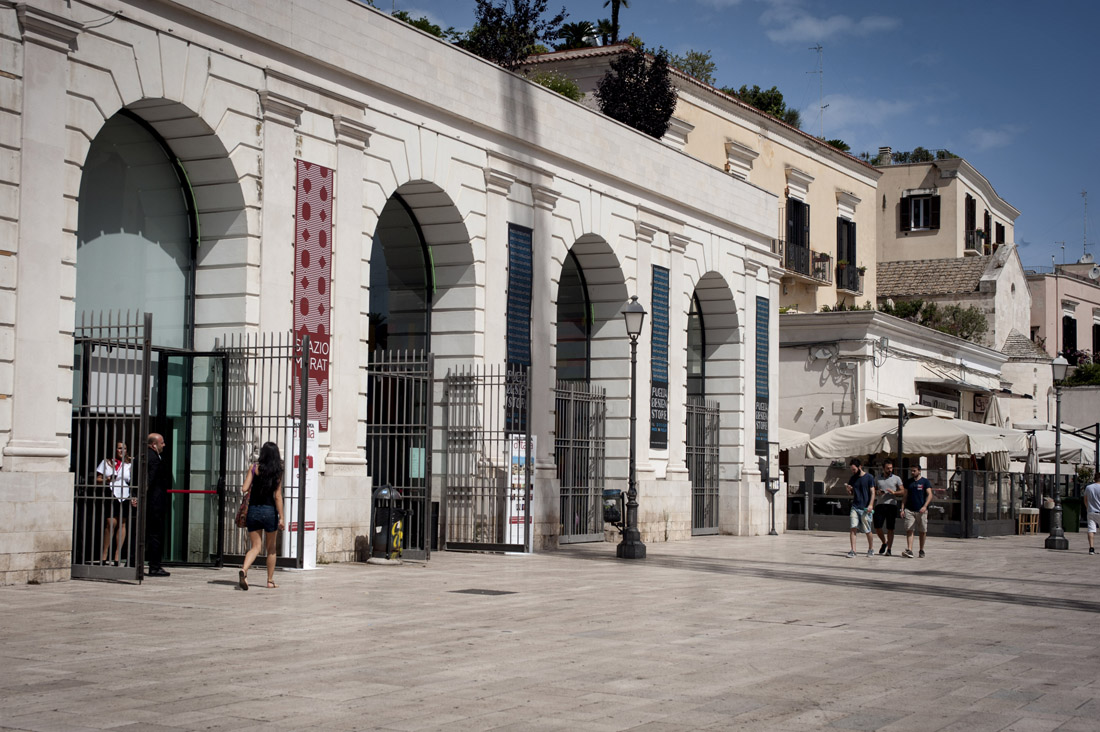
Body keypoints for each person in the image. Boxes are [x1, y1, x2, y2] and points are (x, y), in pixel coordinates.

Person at [239, 442, 285, 590]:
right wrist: (282, 518)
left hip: (253, 511)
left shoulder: (253, 468)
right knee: (271, 549)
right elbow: (277, 496)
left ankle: (244, 570)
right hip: (269, 511)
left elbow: (244, 488)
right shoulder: (278, 471)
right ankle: (270, 581)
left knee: (255, 547)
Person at [96, 441, 134, 564]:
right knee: (111, 523)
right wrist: (106, 479)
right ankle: (104, 553)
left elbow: (133, 480)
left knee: (122, 523)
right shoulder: (106, 462)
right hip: (111, 492)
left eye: (124, 448)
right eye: (119, 448)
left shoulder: (129, 464)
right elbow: (97, 479)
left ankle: (118, 554)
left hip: (125, 494)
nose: (122, 451)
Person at [144, 433, 171, 577]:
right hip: (154, 504)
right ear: (154, 445)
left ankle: (131, 562)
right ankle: (154, 566)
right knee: (155, 534)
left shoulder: (141, 456)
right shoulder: (154, 459)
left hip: (147, 502)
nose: (164, 445)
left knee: (141, 533)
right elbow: (150, 480)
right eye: (162, 443)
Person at [846, 458, 875, 558]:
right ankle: (853, 550)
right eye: (852, 470)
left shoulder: (869, 477)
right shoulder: (853, 478)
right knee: (853, 527)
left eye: (854, 469)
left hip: (865, 508)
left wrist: (871, 504)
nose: (853, 471)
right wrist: (849, 490)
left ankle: (871, 548)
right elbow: (851, 493)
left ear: (860, 467)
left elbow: (873, 492)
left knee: (867, 530)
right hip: (855, 506)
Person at [902, 464, 933, 558]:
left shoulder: (925, 482)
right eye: (911, 471)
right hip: (909, 509)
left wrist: (925, 506)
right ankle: (910, 550)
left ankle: (921, 549)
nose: (912, 472)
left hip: (921, 510)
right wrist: (902, 508)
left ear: (919, 471)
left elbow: (930, 495)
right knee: (909, 529)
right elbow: (905, 495)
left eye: (914, 471)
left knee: (922, 531)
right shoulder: (908, 482)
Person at [874, 461, 905, 556]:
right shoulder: (878, 478)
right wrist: (877, 492)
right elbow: (873, 490)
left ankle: (889, 549)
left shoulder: (896, 478)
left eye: (891, 468)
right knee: (877, 526)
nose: (890, 470)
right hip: (880, 504)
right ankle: (884, 542)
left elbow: (903, 491)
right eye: (888, 468)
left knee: (890, 528)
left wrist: (894, 493)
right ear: (883, 468)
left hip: (891, 505)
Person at [1085, 473, 1100, 555]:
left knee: (1091, 530)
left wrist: (1088, 508)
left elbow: (1085, 500)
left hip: (1091, 511)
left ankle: (1091, 548)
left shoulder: (1089, 487)